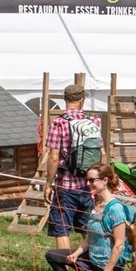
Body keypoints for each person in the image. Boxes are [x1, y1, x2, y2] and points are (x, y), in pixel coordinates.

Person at [44, 163, 132, 271]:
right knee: (52, 255)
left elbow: (119, 245)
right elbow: (90, 236)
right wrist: (76, 254)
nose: (87, 183)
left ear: (104, 181)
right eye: (87, 180)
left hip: (109, 266)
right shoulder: (96, 202)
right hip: (91, 259)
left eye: (92, 180)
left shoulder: (116, 209)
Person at [44, 83, 105, 250]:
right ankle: (93, 265)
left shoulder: (58, 123)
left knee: (62, 229)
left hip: (66, 186)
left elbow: (53, 158)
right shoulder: (93, 122)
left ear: (65, 99)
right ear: (82, 100)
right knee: (88, 228)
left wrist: (49, 184)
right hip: (89, 186)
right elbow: (103, 154)